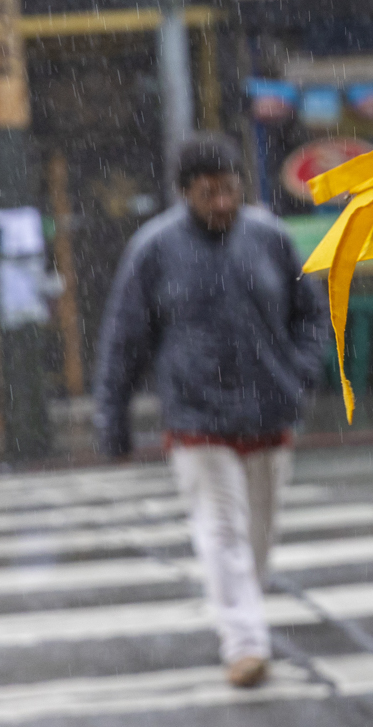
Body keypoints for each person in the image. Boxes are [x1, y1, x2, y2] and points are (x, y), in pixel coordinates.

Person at [95, 132, 328, 689]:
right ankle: (245, 645)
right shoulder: (153, 250)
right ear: (183, 194)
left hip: (270, 414)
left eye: (229, 190)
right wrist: (114, 421)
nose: (221, 203)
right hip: (196, 419)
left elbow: (311, 315)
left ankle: (243, 619)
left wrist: (301, 373)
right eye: (207, 193)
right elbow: (124, 340)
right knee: (221, 533)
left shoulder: (271, 238)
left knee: (257, 541)